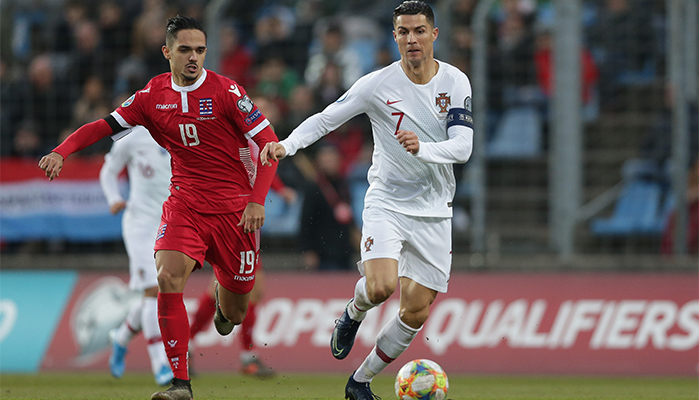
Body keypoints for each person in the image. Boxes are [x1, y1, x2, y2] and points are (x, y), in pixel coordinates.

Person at [39, 15, 279, 400]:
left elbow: (270, 146)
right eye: (185, 50)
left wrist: (256, 201)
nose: (194, 57)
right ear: (167, 52)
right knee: (166, 278)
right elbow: (103, 126)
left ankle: (224, 303)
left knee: (235, 313)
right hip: (185, 204)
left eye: (200, 50)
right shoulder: (152, 96)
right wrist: (61, 151)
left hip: (235, 213)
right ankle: (180, 384)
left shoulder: (228, 92)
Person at [260, 2, 473, 399]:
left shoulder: (455, 81)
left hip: (434, 210)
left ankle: (360, 381)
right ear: (394, 37)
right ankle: (352, 313)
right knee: (380, 287)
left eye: (419, 31)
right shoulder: (377, 84)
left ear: (434, 34)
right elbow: (327, 117)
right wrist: (287, 145)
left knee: (416, 311)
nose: (412, 39)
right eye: (404, 32)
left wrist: (423, 148)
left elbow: (463, 147)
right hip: (388, 202)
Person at [189, 174, 296, 377]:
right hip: (232, 213)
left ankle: (191, 344)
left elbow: (261, 165)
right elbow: (256, 164)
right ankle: (244, 355)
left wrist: (279, 188)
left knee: (238, 288)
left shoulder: (250, 154)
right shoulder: (238, 154)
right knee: (233, 285)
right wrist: (280, 189)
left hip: (243, 213)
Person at [99, 125, 173, 386]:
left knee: (162, 293)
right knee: (155, 289)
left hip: (172, 223)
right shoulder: (131, 136)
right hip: (140, 224)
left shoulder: (183, 129)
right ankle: (160, 363)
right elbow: (108, 171)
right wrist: (113, 198)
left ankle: (121, 337)